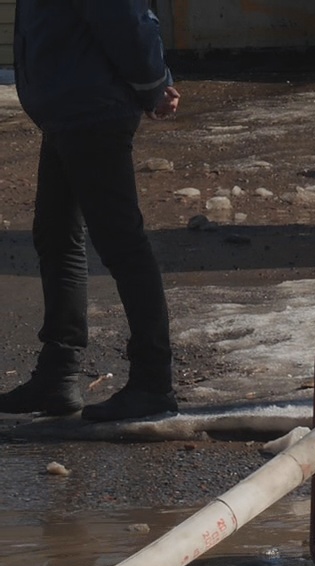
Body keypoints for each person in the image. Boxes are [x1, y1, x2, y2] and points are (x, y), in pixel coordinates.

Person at [1, 0, 181, 422]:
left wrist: (154, 84)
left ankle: (154, 382)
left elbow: (129, 21)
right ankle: (58, 375)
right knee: (56, 236)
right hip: (68, 108)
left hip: (92, 109)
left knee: (121, 244)